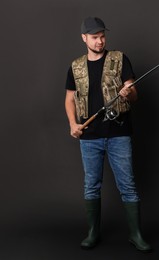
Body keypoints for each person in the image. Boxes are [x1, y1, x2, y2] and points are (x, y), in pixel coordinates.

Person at [64, 16, 151, 252]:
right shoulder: (76, 66)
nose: (100, 41)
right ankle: (93, 233)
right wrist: (73, 124)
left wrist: (128, 92)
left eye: (102, 36)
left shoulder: (120, 59)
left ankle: (136, 235)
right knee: (91, 185)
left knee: (128, 185)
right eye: (94, 37)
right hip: (89, 136)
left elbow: (134, 94)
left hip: (119, 133)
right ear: (84, 38)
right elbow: (70, 98)